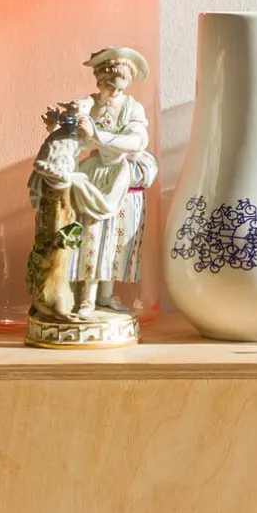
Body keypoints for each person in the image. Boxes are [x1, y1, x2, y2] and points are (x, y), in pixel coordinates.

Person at [69, 46, 158, 314]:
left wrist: (99, 136)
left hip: (120, 174)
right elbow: (78, 133)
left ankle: (106, 295)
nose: (113, 92)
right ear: (99, 80)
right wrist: (76, 126)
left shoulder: (132, 108)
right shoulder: (89, 104)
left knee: (114, 241)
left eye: (119, 88)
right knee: (92, 236)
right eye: (109, 86)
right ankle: (87, 297)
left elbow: (138, 140)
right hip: (96, 174)